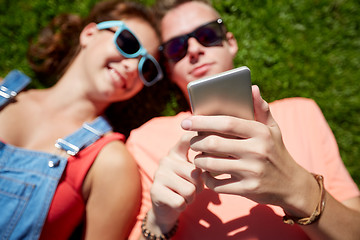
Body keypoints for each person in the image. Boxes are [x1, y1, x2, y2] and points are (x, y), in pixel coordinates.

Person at [126, 0, 360, 239]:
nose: (195, 49)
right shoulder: (143, 139)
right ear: (169, 66)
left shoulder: (302, 113)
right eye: (177, 48)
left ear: (231, 43)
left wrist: (296, 188)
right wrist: (158, 221)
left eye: (208, 34)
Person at [0, 0, 163, 239]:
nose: (132, 65)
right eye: (128, 43)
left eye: (146, 67)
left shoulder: (110, 162)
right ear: (89, 34)